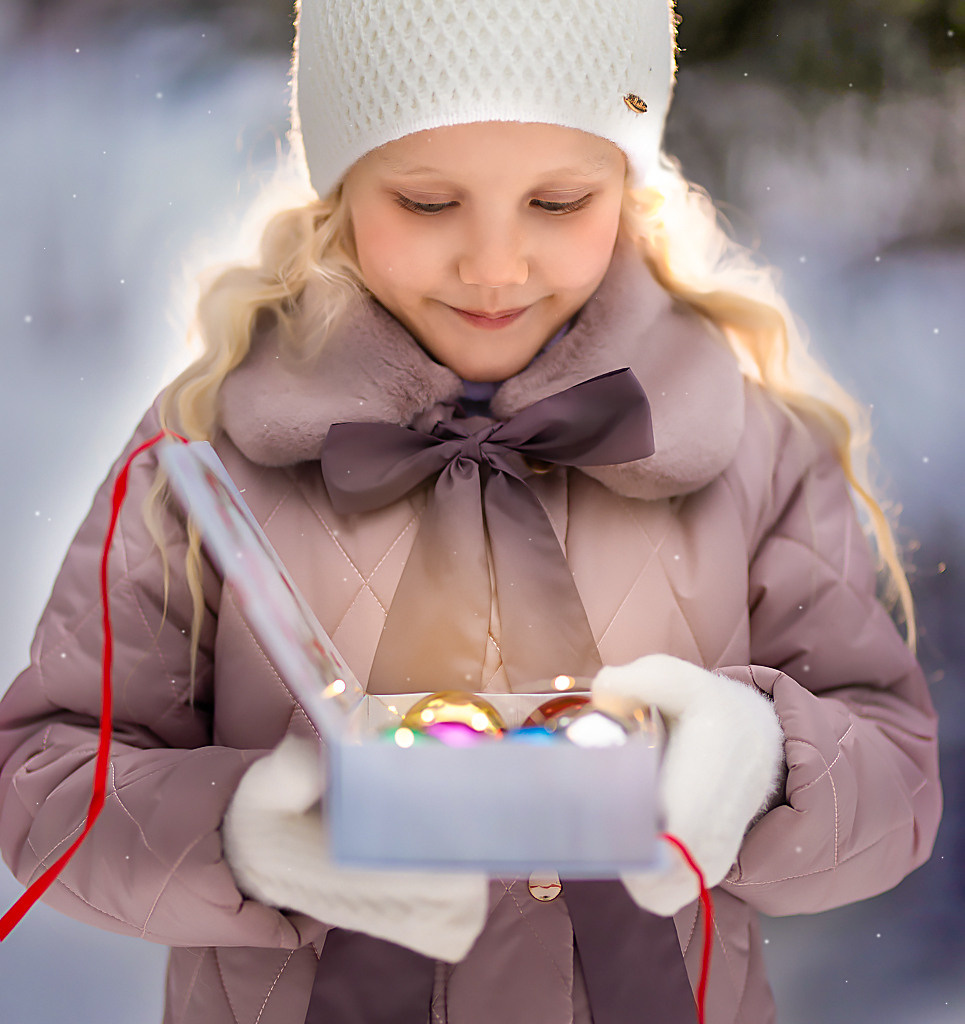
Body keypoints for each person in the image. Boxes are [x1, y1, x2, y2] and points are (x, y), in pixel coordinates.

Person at [0, 1, 942, 1022]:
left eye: (557, 201)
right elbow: (47, 776)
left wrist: (764, 761)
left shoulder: (747, 444)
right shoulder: (205, 448)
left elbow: (891, 776)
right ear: (341, 189)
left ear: (627, 186)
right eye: (426, 201)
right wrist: (237, 836)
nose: (494, 265)